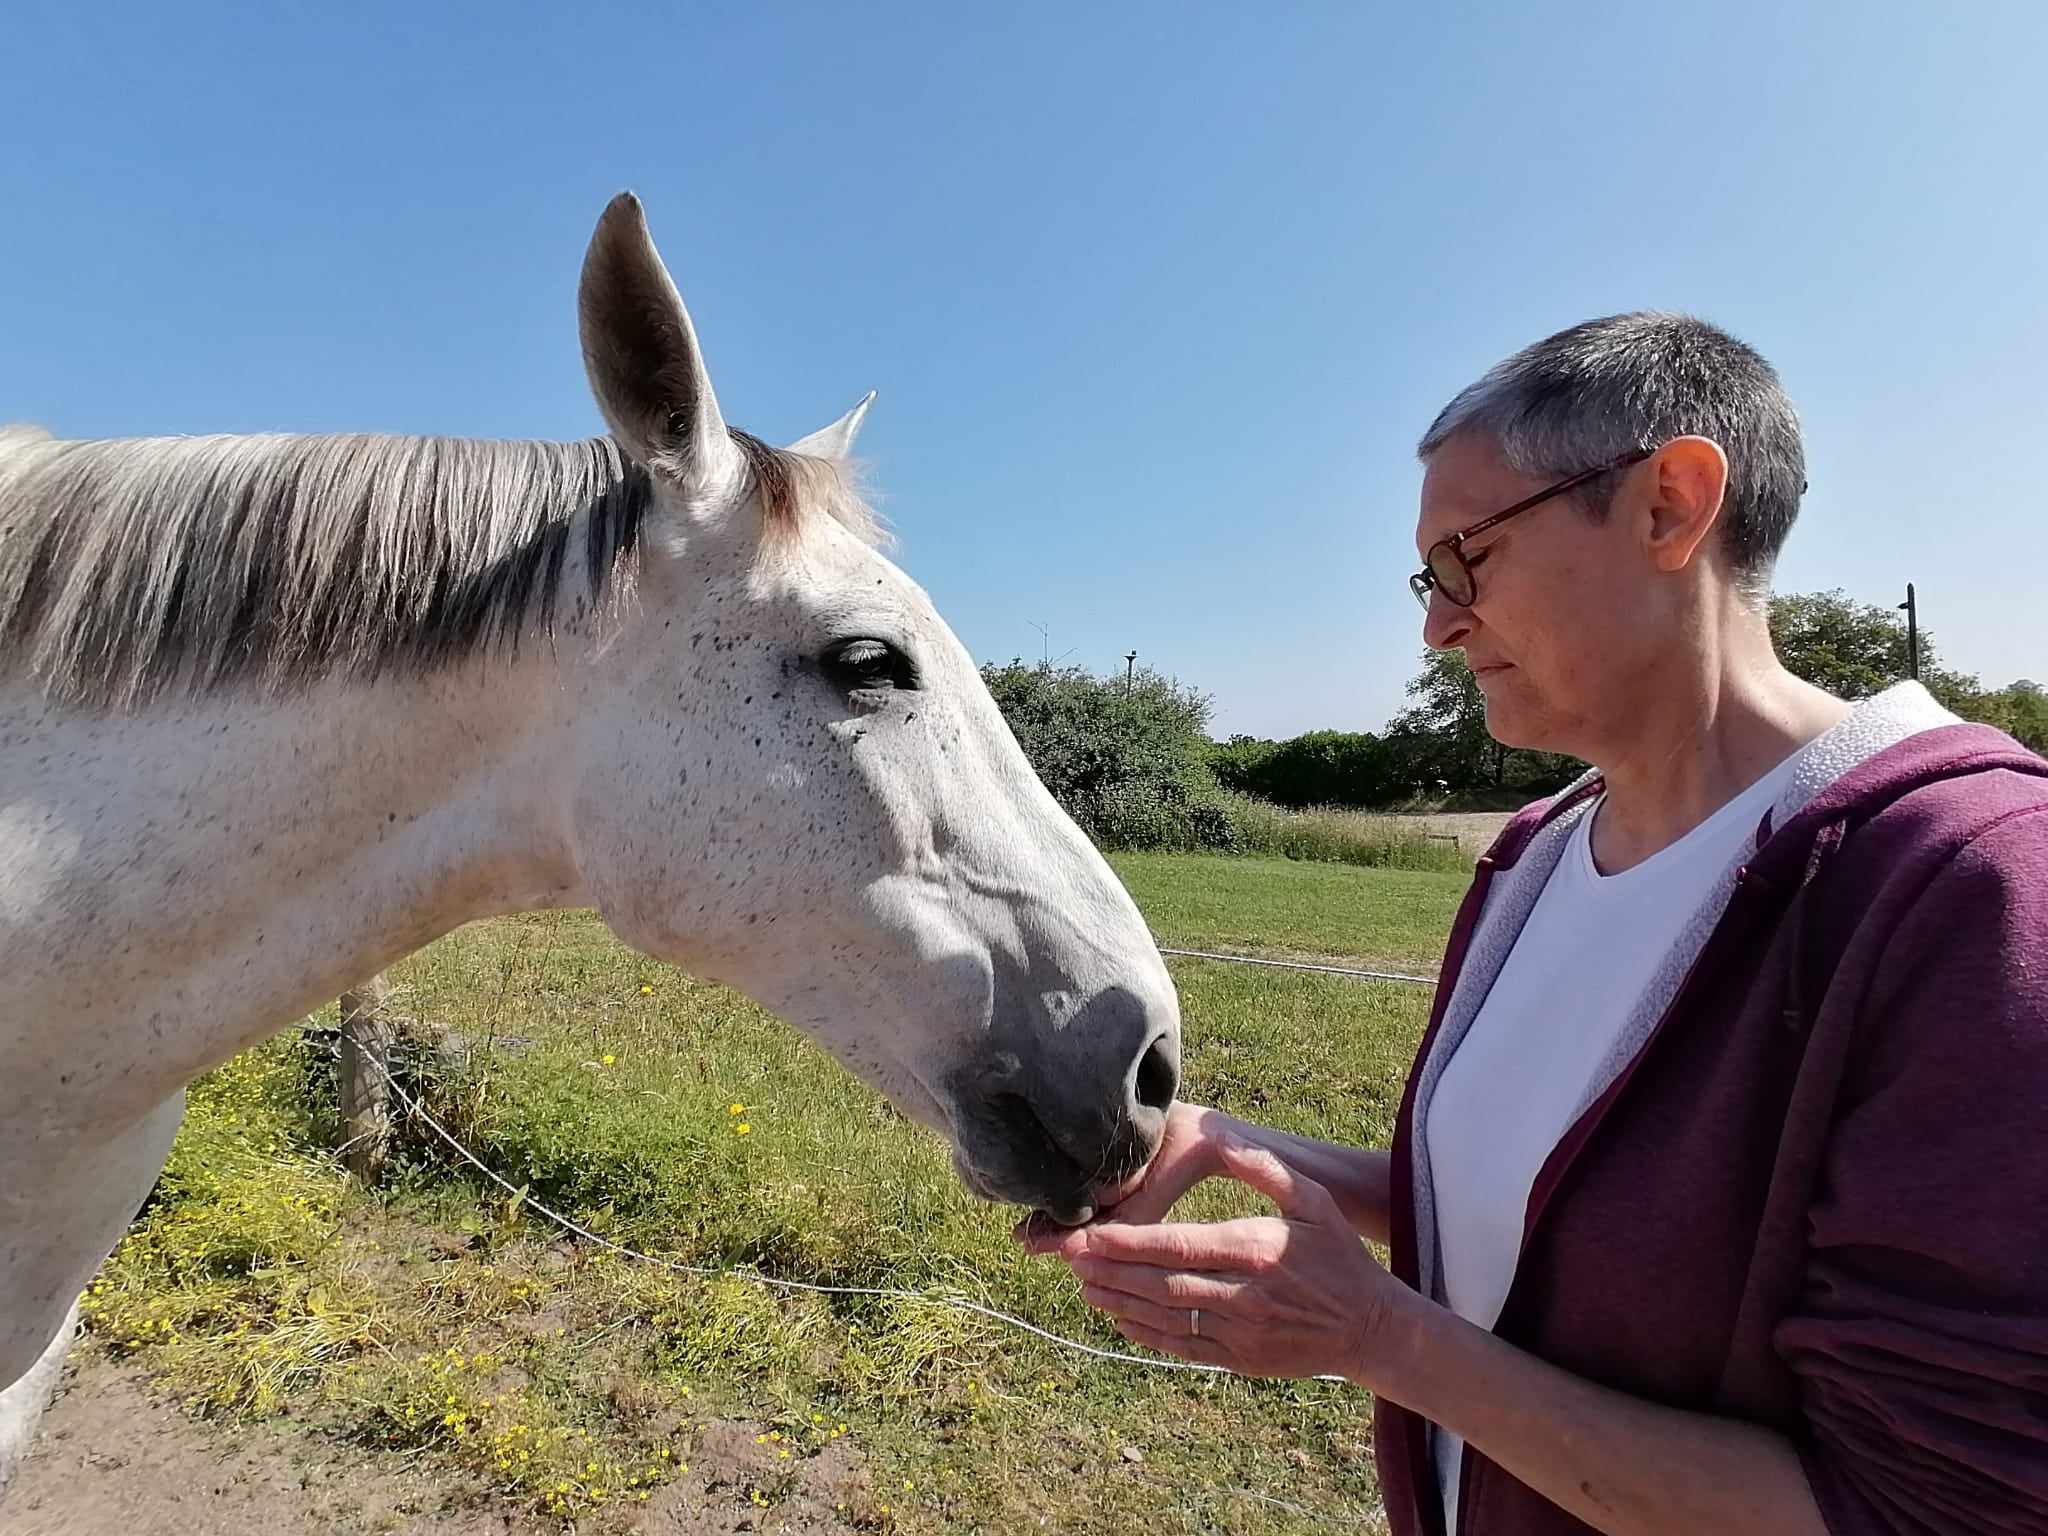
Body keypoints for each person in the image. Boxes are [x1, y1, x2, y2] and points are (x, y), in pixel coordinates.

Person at [1020, 313, 2048, 1535]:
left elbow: (1921, 1511)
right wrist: (1266, 1153)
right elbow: (1572, 1223)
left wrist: (1374, 1336)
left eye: (1467, 556)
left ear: (1669, 504)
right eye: (1428, 576)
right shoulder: (1536, 857)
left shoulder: (1968, 887)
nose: (1436, 626)